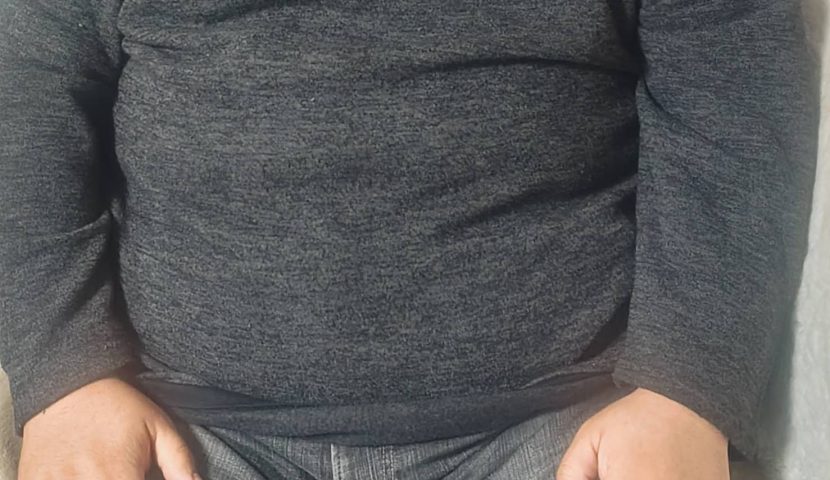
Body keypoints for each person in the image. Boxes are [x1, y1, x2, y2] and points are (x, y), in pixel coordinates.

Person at [0, 0, 820, 479]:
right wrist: (64, 373)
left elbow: (734, 80)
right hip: (183, 428)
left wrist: (686, 389)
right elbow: (29, 87)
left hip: (566, 427)